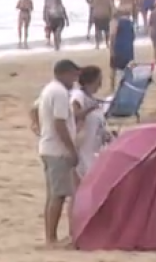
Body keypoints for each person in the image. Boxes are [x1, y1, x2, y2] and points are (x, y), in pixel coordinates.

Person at [34, 59, 81, 247]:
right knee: (58, 195)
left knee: (53, 194)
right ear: (65, 74)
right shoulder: (59, 92)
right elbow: (60, 123)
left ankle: (50, 236)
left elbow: (34, 108)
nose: (75, 81)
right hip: (56, 150)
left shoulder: (50, 89)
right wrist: (71, 149)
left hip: (48, 148)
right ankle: (51, 238)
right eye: (73, 76)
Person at [70, 65, 110, 178]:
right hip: (84, 147)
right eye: (99, 81)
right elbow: (75, 113)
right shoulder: (78, 95)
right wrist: (91, 108)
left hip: (94, 146)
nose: (100, 84)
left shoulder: (91, 98)